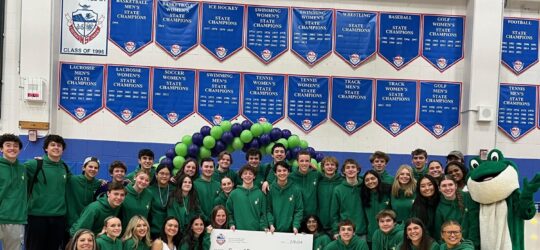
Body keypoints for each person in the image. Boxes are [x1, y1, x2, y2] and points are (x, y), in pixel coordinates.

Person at [25, 134, 71, 250]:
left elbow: (75, 183)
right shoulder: (33, 164)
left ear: (63, 149)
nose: (56, 147)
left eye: (59, 145)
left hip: (58, 218)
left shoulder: (64, 167)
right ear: (46, 148)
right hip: (37, 217)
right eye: (53, 145)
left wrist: (98, 183)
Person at [65, 157, 104, 247]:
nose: (93, 169)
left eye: (96, 168)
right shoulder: (72, 180)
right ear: (83, 168)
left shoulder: (99, 184)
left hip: (87, 226)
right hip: (70, 226)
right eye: (90, 167)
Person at [434, 175, 479, 246]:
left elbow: (474, 224)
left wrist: (472, 245)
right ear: (439, 188)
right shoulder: (439, 209)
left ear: (456, 186)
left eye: (450, 184)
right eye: (444, 186)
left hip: (471, 244)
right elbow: (440, 234)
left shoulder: (468, 197)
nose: (448, 188)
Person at [0, 134, 26, 250]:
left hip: (15, 218)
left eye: (16, 146)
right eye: (8, 145)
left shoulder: (23, 169)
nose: (12, 148)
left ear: (19, 150)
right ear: (1, 149)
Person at [330, 159, 366, 238]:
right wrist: (336, 231)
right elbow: (334, 214)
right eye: (348, 167)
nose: (350, 169)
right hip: (345, 232)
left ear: (358, 170)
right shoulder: (338, 190)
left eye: (353, 167)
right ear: (343, 171)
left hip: (362, 232)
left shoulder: (365, 186)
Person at [266, 161, 304, 233]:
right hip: (273, 230)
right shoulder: (270, 189)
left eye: (284, 170)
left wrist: (295, 226)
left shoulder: (296, 189)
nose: (282, 173)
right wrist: (271, 224)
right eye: (279, 171)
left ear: (288, 172)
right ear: (275, 173)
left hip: (291, 231)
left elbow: (299, 210)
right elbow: (268, 210)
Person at [227, 165, 267, 231]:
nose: (248, 176)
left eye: (250, 174)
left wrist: (263, 227)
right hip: (238, 232)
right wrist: (231, 224)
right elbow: (229, 212)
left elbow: (263, 214)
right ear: (241, 176)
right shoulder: (234, 194)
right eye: (245, 173)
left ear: (254, 176)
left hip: (256, 232)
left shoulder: (260, 194)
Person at [361, 170, 391, 246]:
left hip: (388, 235)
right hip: (371, 236)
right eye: (367, 180)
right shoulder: (364, 196)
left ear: (378, 178)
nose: (370, 181)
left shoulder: (388, 192)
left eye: (373, 178)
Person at [289, 150, 319, 217]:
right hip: (296, 217)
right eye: (301, 161)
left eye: (307, 161)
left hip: (312, 219)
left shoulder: (316, 175)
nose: (304, 163)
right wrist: (266, 181)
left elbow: (329, 177)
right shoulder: (290, 177)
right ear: (297, 162)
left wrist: (316, 169)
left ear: (310, 162)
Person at [317, 156, 343, 234]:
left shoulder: (342, 181)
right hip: (321, 225)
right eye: (327, 164)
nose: (330, 167)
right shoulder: (319, 181)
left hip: (338, 225)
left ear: (336, 167)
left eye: (332, 164)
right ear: (323, 167)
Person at [149, 164, 175, 239]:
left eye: (167, 174)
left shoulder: (175, 190)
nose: (164, 176)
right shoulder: (149, 190)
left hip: (171, 230)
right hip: (153, 231)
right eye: (162, 173)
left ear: (170, 176)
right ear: (156, 175)